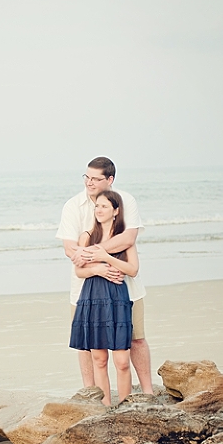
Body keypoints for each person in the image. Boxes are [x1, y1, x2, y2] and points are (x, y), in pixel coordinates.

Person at [56, 156, 154, 394]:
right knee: (88, 345)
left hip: (126, 286)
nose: (89, 183)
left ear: (110, 179)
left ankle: (148, 391)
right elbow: (70, 249)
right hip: (85, 288)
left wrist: (93, 253)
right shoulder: (72, 206)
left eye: (96, 179)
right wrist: (94, 262)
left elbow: (127, 238)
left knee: (136, 338)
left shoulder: (124, 201)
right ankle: (92, 394)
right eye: (86, 177)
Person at [69, 190, 138, 406]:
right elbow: (79, 271)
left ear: (116, 211)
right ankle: (106, 407)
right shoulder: (87, 237)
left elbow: (133, 269)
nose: (99, 210)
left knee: (122, 361)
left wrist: (106, 257)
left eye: (104, 206)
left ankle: (125, 407)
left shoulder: (123, 238)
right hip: (93, 297)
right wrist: (99, 270)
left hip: (117, 297)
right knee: (99, 359)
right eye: (97, 206)